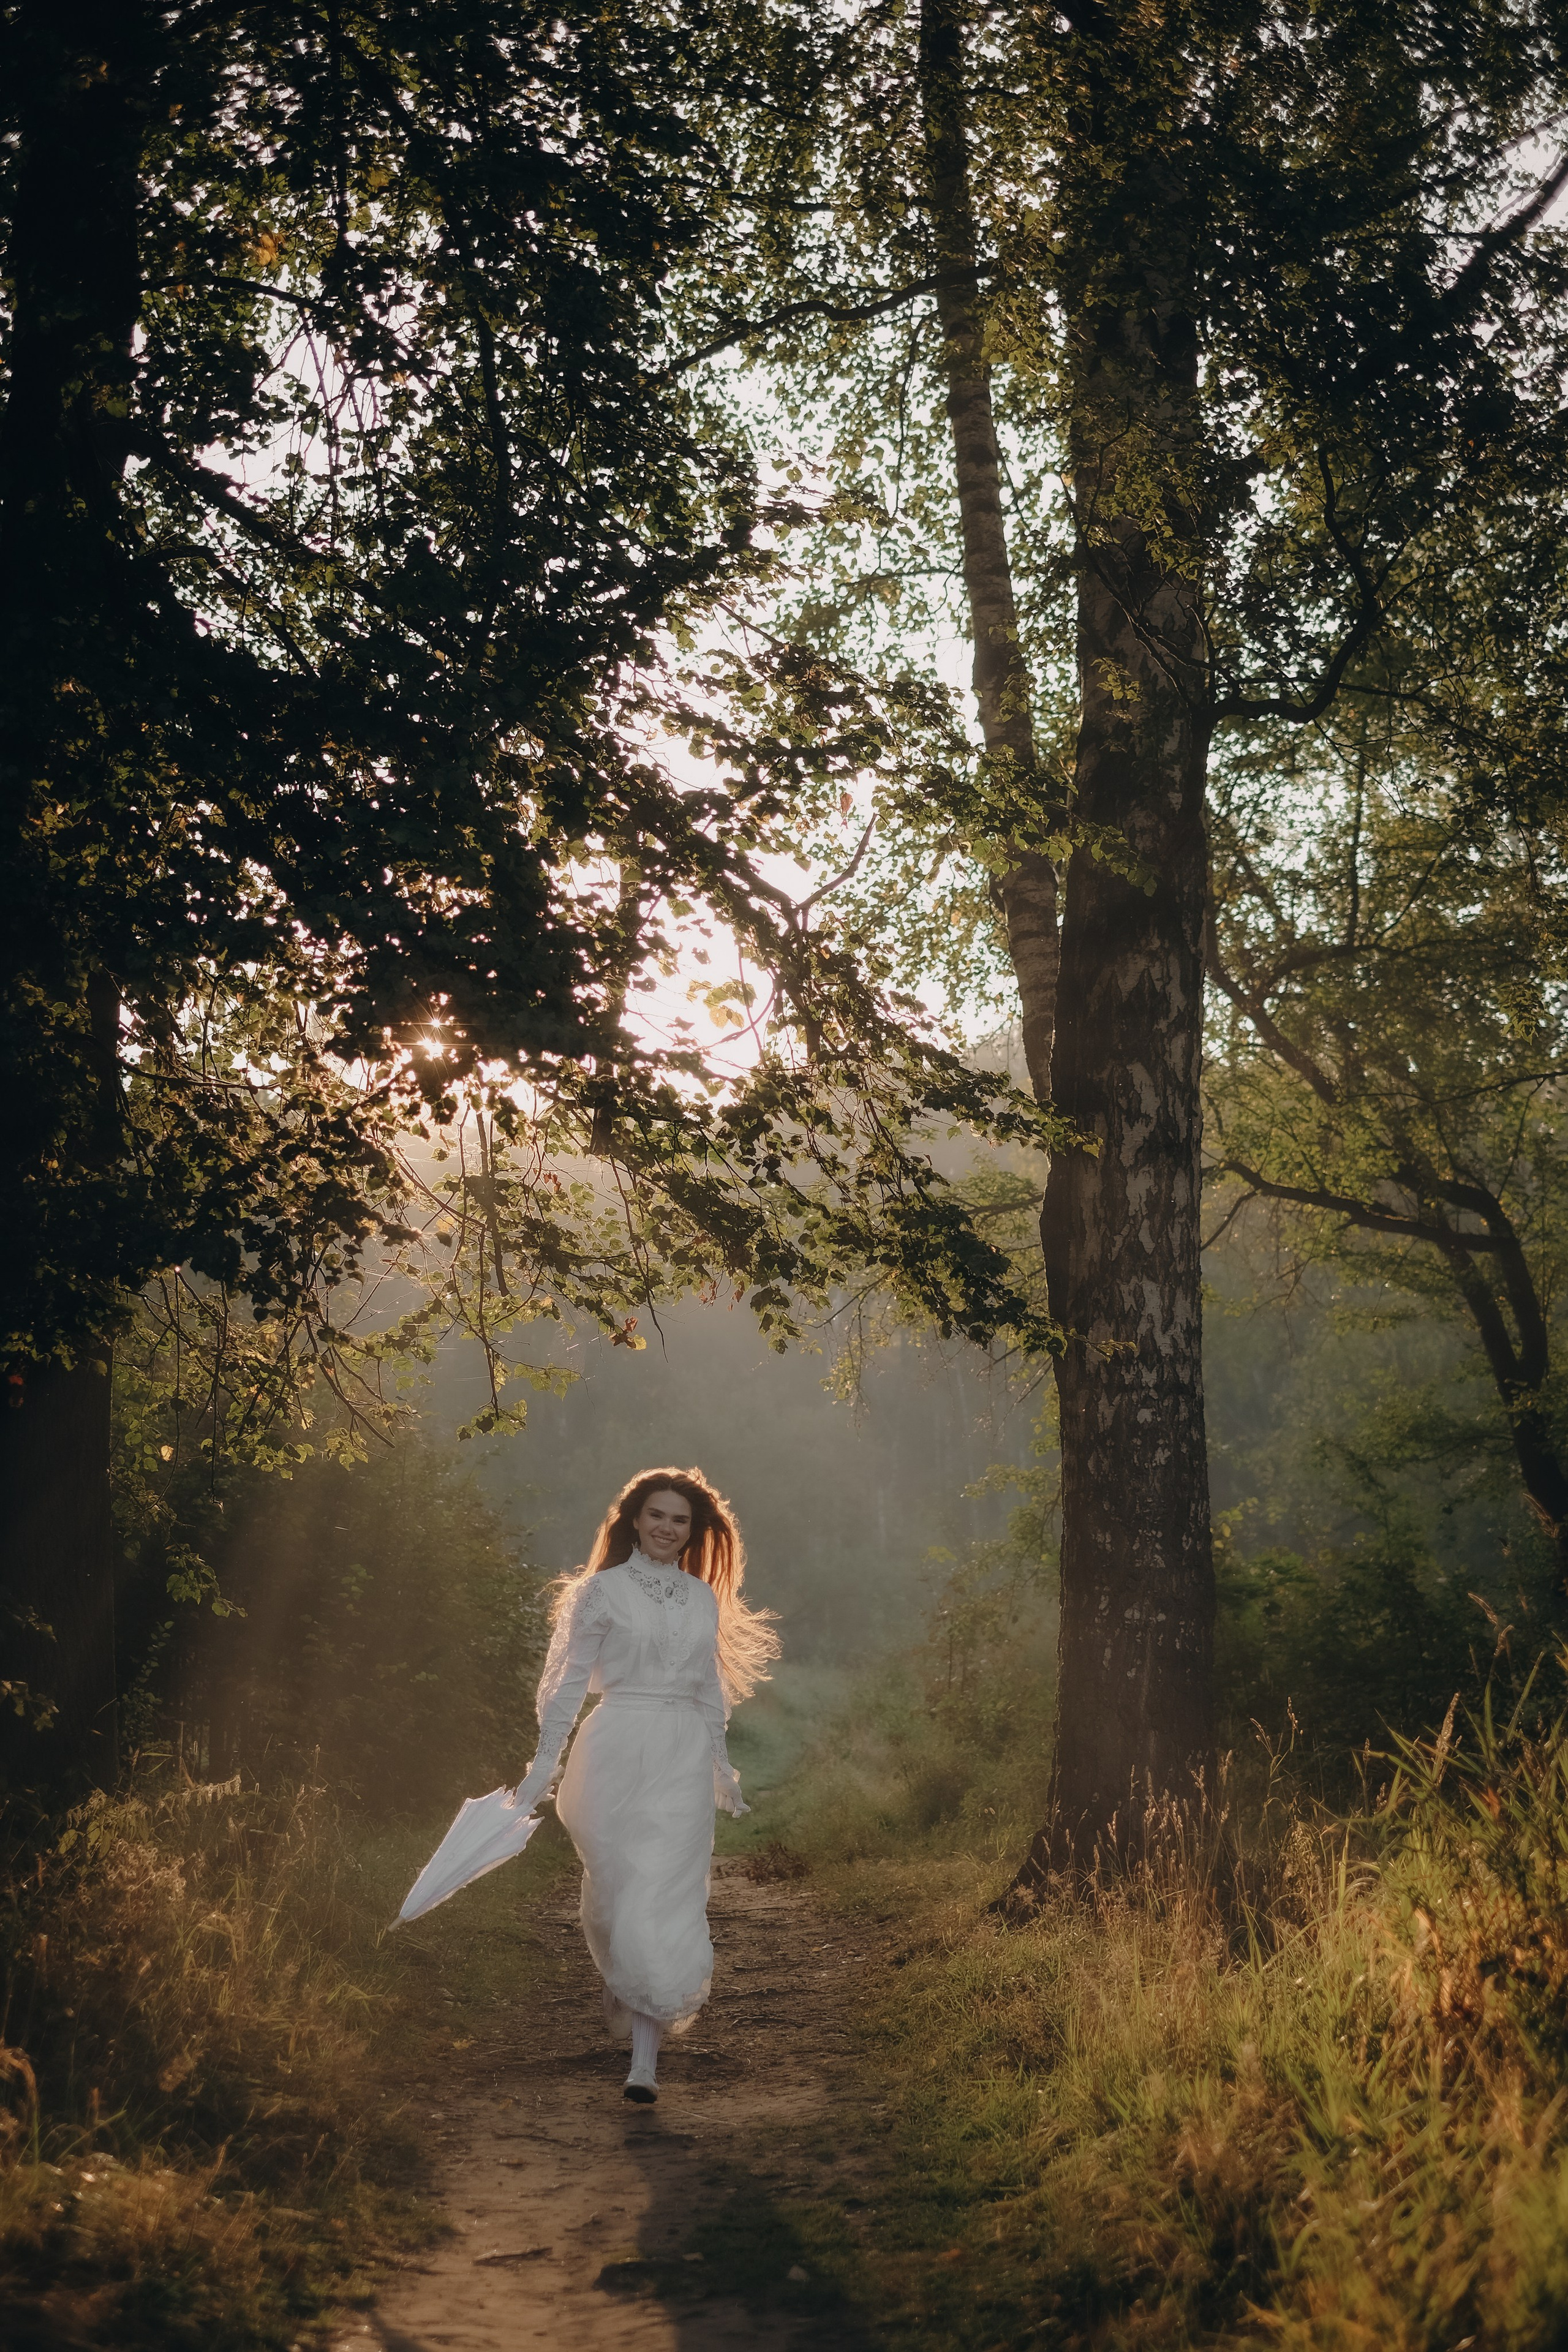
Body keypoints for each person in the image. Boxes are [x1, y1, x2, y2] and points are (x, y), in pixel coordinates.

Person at [510, 1466, 778, 2103]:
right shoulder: (599, 1592)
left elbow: (708, 1691)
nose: (667, 1527)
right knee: (613, 1896)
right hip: (611, 1750)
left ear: (693, 1531)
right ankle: (620, 1974)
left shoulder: (701, 1598)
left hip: (680, 1755)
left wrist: (721, 1769)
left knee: (661, 1895)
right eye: (657, 1515)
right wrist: (543, 1765)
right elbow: (569, 1684)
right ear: (634, 1519)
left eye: (679, 1520)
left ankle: (644, 2064)